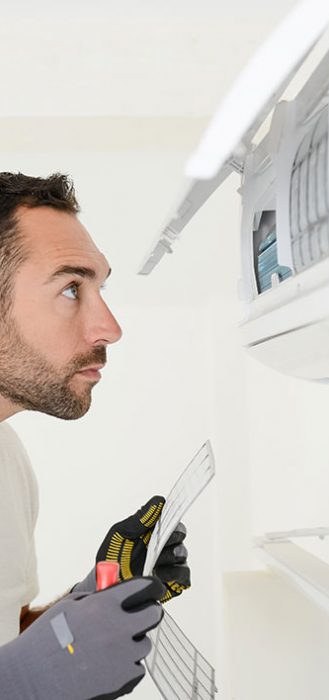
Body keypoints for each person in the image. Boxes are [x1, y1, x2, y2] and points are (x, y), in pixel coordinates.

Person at [0, 172, 191, 699]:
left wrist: (86, 601)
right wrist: (20, 684)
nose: (109, 326)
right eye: (70, 288)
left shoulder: (6, 456)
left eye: (99, 289)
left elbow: (7, 631)